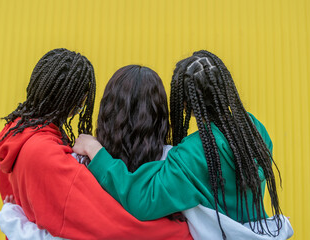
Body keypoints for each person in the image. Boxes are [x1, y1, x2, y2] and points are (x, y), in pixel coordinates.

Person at [73, 51, 294, 239]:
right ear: (225, 84)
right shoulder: (254, 129)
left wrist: (95, 150)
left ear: (185, 103)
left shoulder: (194, 153)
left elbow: (142, 199)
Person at [0, 51, 192, 239]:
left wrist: (13, 222)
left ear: (107, 111)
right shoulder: (176, 165)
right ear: (161, 116)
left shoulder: (78, 160)